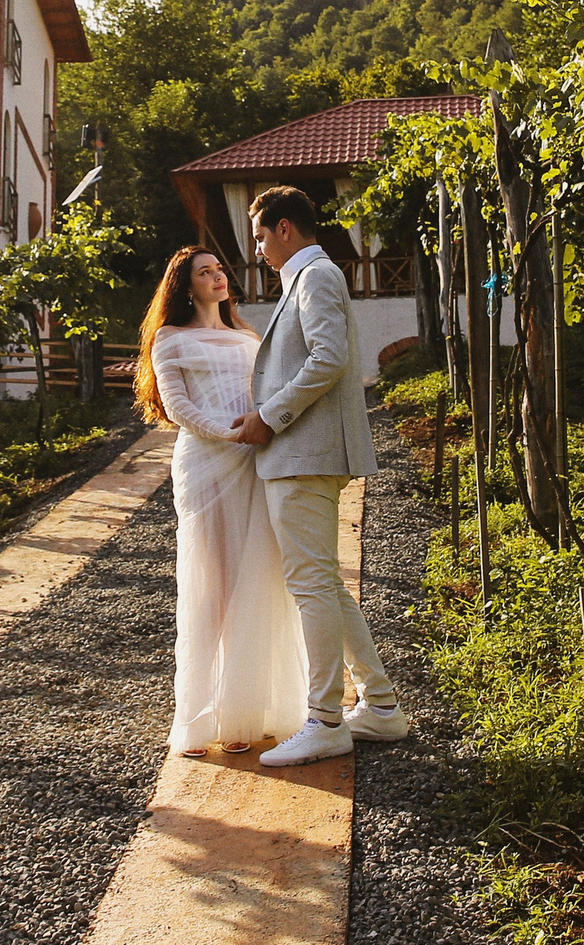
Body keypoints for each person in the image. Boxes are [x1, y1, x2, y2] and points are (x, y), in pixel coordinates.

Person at [229, 185, 410, 767]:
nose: (257, 249)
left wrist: (269, 416)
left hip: (305, 452)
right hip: (303, 454)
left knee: (311, 586)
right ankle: (379, 707)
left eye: (259, 236)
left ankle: (325, 719)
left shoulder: (316, 276)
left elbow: (329, 359)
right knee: (324, 583)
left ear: (285, 228)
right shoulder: (306, 278)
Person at [137, 245, 305, 757]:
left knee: (258, 578)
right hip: (208, 465)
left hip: (255, 460)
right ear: (185, 286)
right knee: (212, 583)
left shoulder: (248, 335)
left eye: (219, 269)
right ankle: (199, 717)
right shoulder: (169, 337)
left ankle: (247, 713)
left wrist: (263, 430)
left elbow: (267, 392)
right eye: (204, 272)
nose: (217, 276)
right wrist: (228, 435)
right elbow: (178, 405)